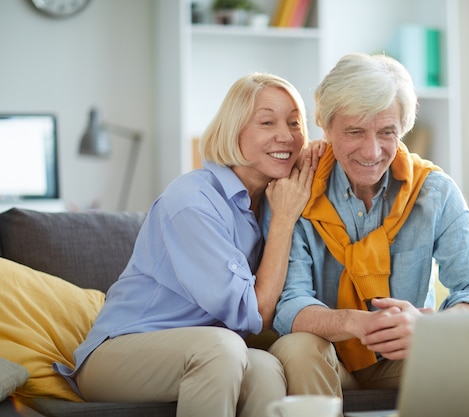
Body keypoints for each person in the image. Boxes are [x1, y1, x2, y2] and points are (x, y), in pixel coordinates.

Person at [54, 72, 322, 417]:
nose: (285, 136)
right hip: (117, 355)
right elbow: (254, 314)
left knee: (266, 369)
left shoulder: (272, 200)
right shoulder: (193, 201)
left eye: (295, 123)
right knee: (222, 347)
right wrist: (284, 220)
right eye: (267, 122)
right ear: (232, 130)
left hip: (207, 349)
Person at [266, 53, 469, 398]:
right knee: (297, 347)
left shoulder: (434, 192)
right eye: (354, 131)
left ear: (402, 129)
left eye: (386, 132)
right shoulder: (297, 190)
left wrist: (428, 327)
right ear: (326, 126)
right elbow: (289, 303)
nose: (372, 150)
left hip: (405, 359)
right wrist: (354, 323)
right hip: (326, 357)